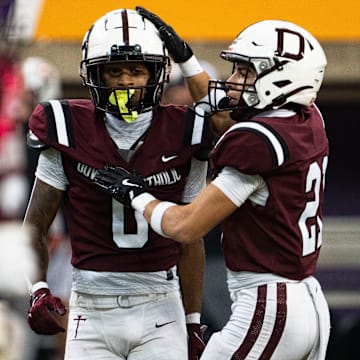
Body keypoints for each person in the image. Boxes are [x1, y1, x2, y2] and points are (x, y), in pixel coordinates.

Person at [93, 14, 331, 360]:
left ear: (279, 78)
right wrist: (186, 58)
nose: (233, 80)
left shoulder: (255, 142)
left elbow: (185, 226)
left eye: (244, 72)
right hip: (307, 303)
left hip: (269, 305)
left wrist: (135, 193)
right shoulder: (309, 119)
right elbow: (223, 116)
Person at [22, 7, 230, 360]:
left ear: (156, 73)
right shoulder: (66, 126)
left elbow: (190, 239)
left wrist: (193, 321)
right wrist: (38, 289)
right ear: (95, 74)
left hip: (161, 306)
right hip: (90, 306)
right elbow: (35, 226)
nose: (125, 81)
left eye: (136, 70)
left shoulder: (185, 130)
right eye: (114, 71)